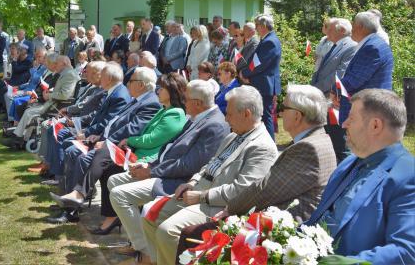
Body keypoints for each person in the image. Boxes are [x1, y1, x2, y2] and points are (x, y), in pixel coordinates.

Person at [176, 85, 337, 259]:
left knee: (190, 235)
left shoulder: (307, 148)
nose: (279, 113)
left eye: (284, 108)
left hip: (284, 234)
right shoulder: (316, 140)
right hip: (274, 220)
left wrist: (231, 209)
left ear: (297, 115)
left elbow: (265, 189)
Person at [141, 85, 277, 265]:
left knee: (167, 231)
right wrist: (192, 181)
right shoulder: (234, 136)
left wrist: (202, 196)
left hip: (216, 205)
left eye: (229, 114)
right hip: (198, 193)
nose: (226, 119)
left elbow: (243, 190)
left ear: (246, 113)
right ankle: (160, 260)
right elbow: (210, 165)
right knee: (149, 215)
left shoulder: (262, 147)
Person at [109, 79, 230, 264]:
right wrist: (149, 165)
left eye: (186, 98)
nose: (183, 101)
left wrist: (152, 171)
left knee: (119, 194)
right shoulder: (198, 117)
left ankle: (145, 251)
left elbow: (190, 165)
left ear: (197, 103)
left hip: (177, 181)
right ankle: (142, 247)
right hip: (163, 171)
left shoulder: (214, 125)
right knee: (114, 181)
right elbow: (171, 149)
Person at [305, 89, 414, 264]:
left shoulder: (407, 175)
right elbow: (320, 217)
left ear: (375, 125)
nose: (344, 124)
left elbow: (406, 251)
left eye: (351, 118)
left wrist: (340, 263)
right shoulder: (350, 162)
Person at [47, 66, 162, 224]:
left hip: (120, 150)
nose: (128, 84)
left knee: (79, 156)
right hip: (106, 142)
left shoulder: (150, 103)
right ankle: (70, 202)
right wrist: (98, 136)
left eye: (132, 81)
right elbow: (114, 124)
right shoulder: (137, 100)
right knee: (74, 151)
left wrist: (105, 141)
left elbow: (131, 129)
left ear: (141, 85)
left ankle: (71, 208)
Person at [310, 18, 357, 162]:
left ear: (342, 31)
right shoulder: (335, 45)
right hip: (325, 98)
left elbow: (338, 76)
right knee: (330, 141)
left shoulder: (351, 46)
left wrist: (315, 89)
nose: (326, 32)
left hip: (335, 101)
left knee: (340, 144)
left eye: (330, 28)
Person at [338, 12, 393, 126]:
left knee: (360, 143)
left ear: (360, 26)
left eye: (353, 25)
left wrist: (335, 90)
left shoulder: (372, 47)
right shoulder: (375, 43)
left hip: (367, 110)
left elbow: (354, 80)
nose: (351, 29)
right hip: (372, 107)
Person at [239, 14, 281, 140]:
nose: (256, 29)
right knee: (262, 115)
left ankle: (269, 145)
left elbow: (259, 63)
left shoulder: (270, 41)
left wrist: (245, 73)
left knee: (265, 116)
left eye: (257, 25)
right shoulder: (268, 39)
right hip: (262, 83)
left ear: (263, 26)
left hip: (264, 84)